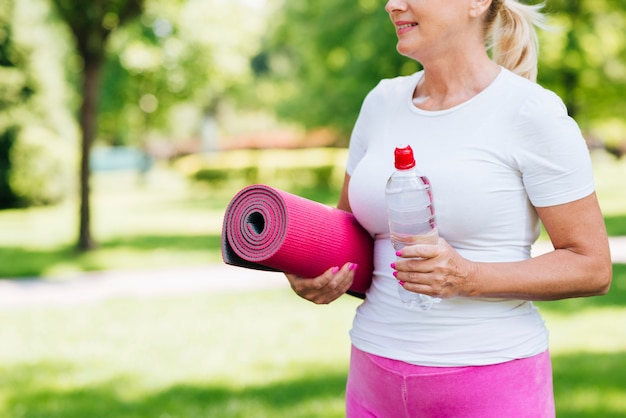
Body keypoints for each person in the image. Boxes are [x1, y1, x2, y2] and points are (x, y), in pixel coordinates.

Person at [285, 0, 613, 416]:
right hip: (373, 373)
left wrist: (468, 277)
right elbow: (351, 237)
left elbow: (592, 266)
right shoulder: (382, 102)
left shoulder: (531, 111)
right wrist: (317, 269)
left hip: (488, 380)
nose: (392, 4)